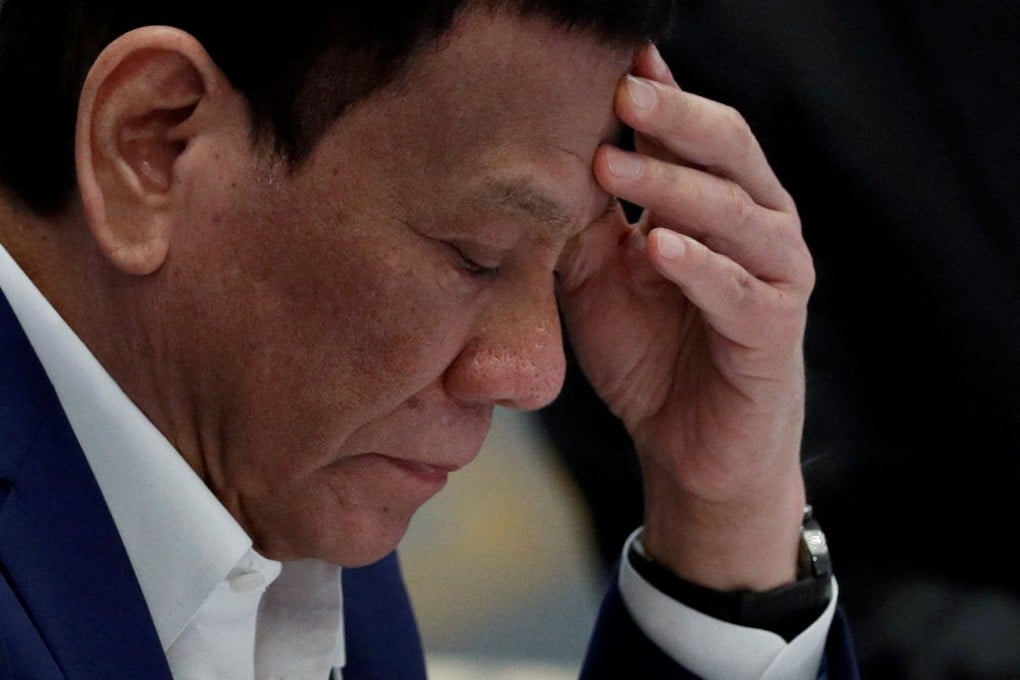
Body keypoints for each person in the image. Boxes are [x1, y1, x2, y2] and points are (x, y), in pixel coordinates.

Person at [0, 2, 858, 678]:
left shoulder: (290, 464)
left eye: (563, 265)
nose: (537, 373)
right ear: (153, 142)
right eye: (473, 255)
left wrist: (720, 512)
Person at [539, 2, 1020, 678]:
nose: (517, 376)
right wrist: (730, 514)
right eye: (471, 258)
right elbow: (859, 580)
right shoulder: (701, 47)